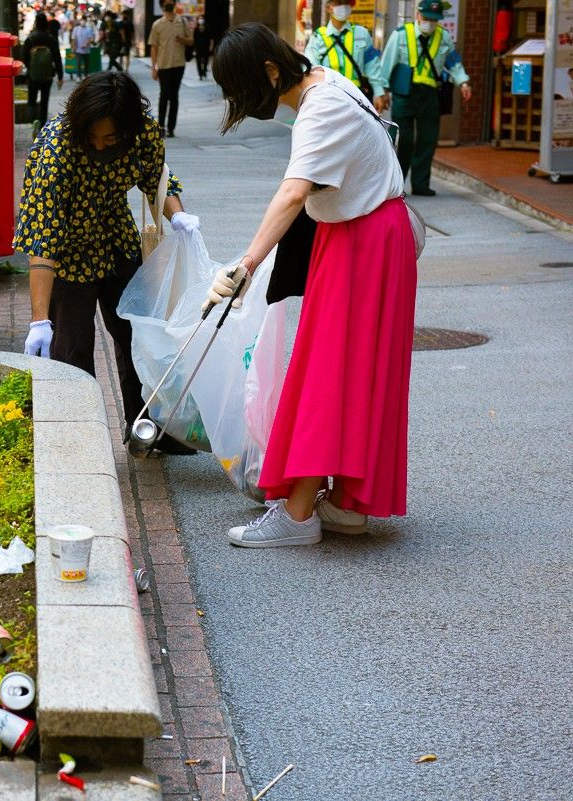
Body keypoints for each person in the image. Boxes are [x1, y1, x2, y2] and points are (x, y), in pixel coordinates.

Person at [208, 23, 416, 547]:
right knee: (357, 372)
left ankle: (297, 515)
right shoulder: (332, 83)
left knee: (326, 372)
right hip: (371, 235)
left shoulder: (321, 108)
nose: (245, 103)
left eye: (243, 89)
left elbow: (294, 192)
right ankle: (347, 502)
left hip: (361, 241)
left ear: (271, 71)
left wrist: (246, 263)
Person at [14, 72, 200, 449]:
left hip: (115, 238)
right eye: (93, 139)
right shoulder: (56, 152)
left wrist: (177, 215)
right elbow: (43, 241)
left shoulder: (144, 133)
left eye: (110, 139)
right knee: (73, 349)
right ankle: (82, 440)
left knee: (137, 337)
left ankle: (147, 430)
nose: (100, 146)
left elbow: (155, 177)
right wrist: (39, 320)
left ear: (127, 130)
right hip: (67, 253)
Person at [376, 0, 471, 196]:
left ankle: (421, 184)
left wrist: (463, 82)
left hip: (430, 95)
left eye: (434, 20)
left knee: (428, 139)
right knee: (405, 140)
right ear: (418, 15)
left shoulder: (443, 37)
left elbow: (453, 63)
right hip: (404, 93)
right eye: (427, 18)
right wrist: (382, 90)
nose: (430, 23)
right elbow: (386, 65)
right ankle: (396, 185)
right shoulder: (401, 35)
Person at [304, 0, 381, 100]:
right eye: (339, 3)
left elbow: (372, 65)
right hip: (328, 97)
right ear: (328, 8)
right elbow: (311, 69)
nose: (344, 7)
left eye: (346, 3)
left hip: (357, 96)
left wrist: (379, 92)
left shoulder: (362, 33)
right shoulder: (318, 37)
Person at [148, 1, 192, 137]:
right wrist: (154, 67)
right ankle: (161, 126)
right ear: (162, 6)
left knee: (174, 96)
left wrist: (183, 40)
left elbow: (191, 40)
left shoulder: (182, 22)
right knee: (164, 95)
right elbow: (153, 47)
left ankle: (171, 127)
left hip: (179, 64)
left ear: (173, 4)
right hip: (163, 65)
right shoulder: (157, 24)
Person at [24, 14, 62, 127]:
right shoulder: (51, 39)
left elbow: (24, 57)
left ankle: (33, 121)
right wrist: (60, 76)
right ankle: (42, 126)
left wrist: (31, 67)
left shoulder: (30, 39)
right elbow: (57, 58)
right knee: (44, 101)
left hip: (32, 75)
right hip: (47, 75)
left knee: (32, 99)